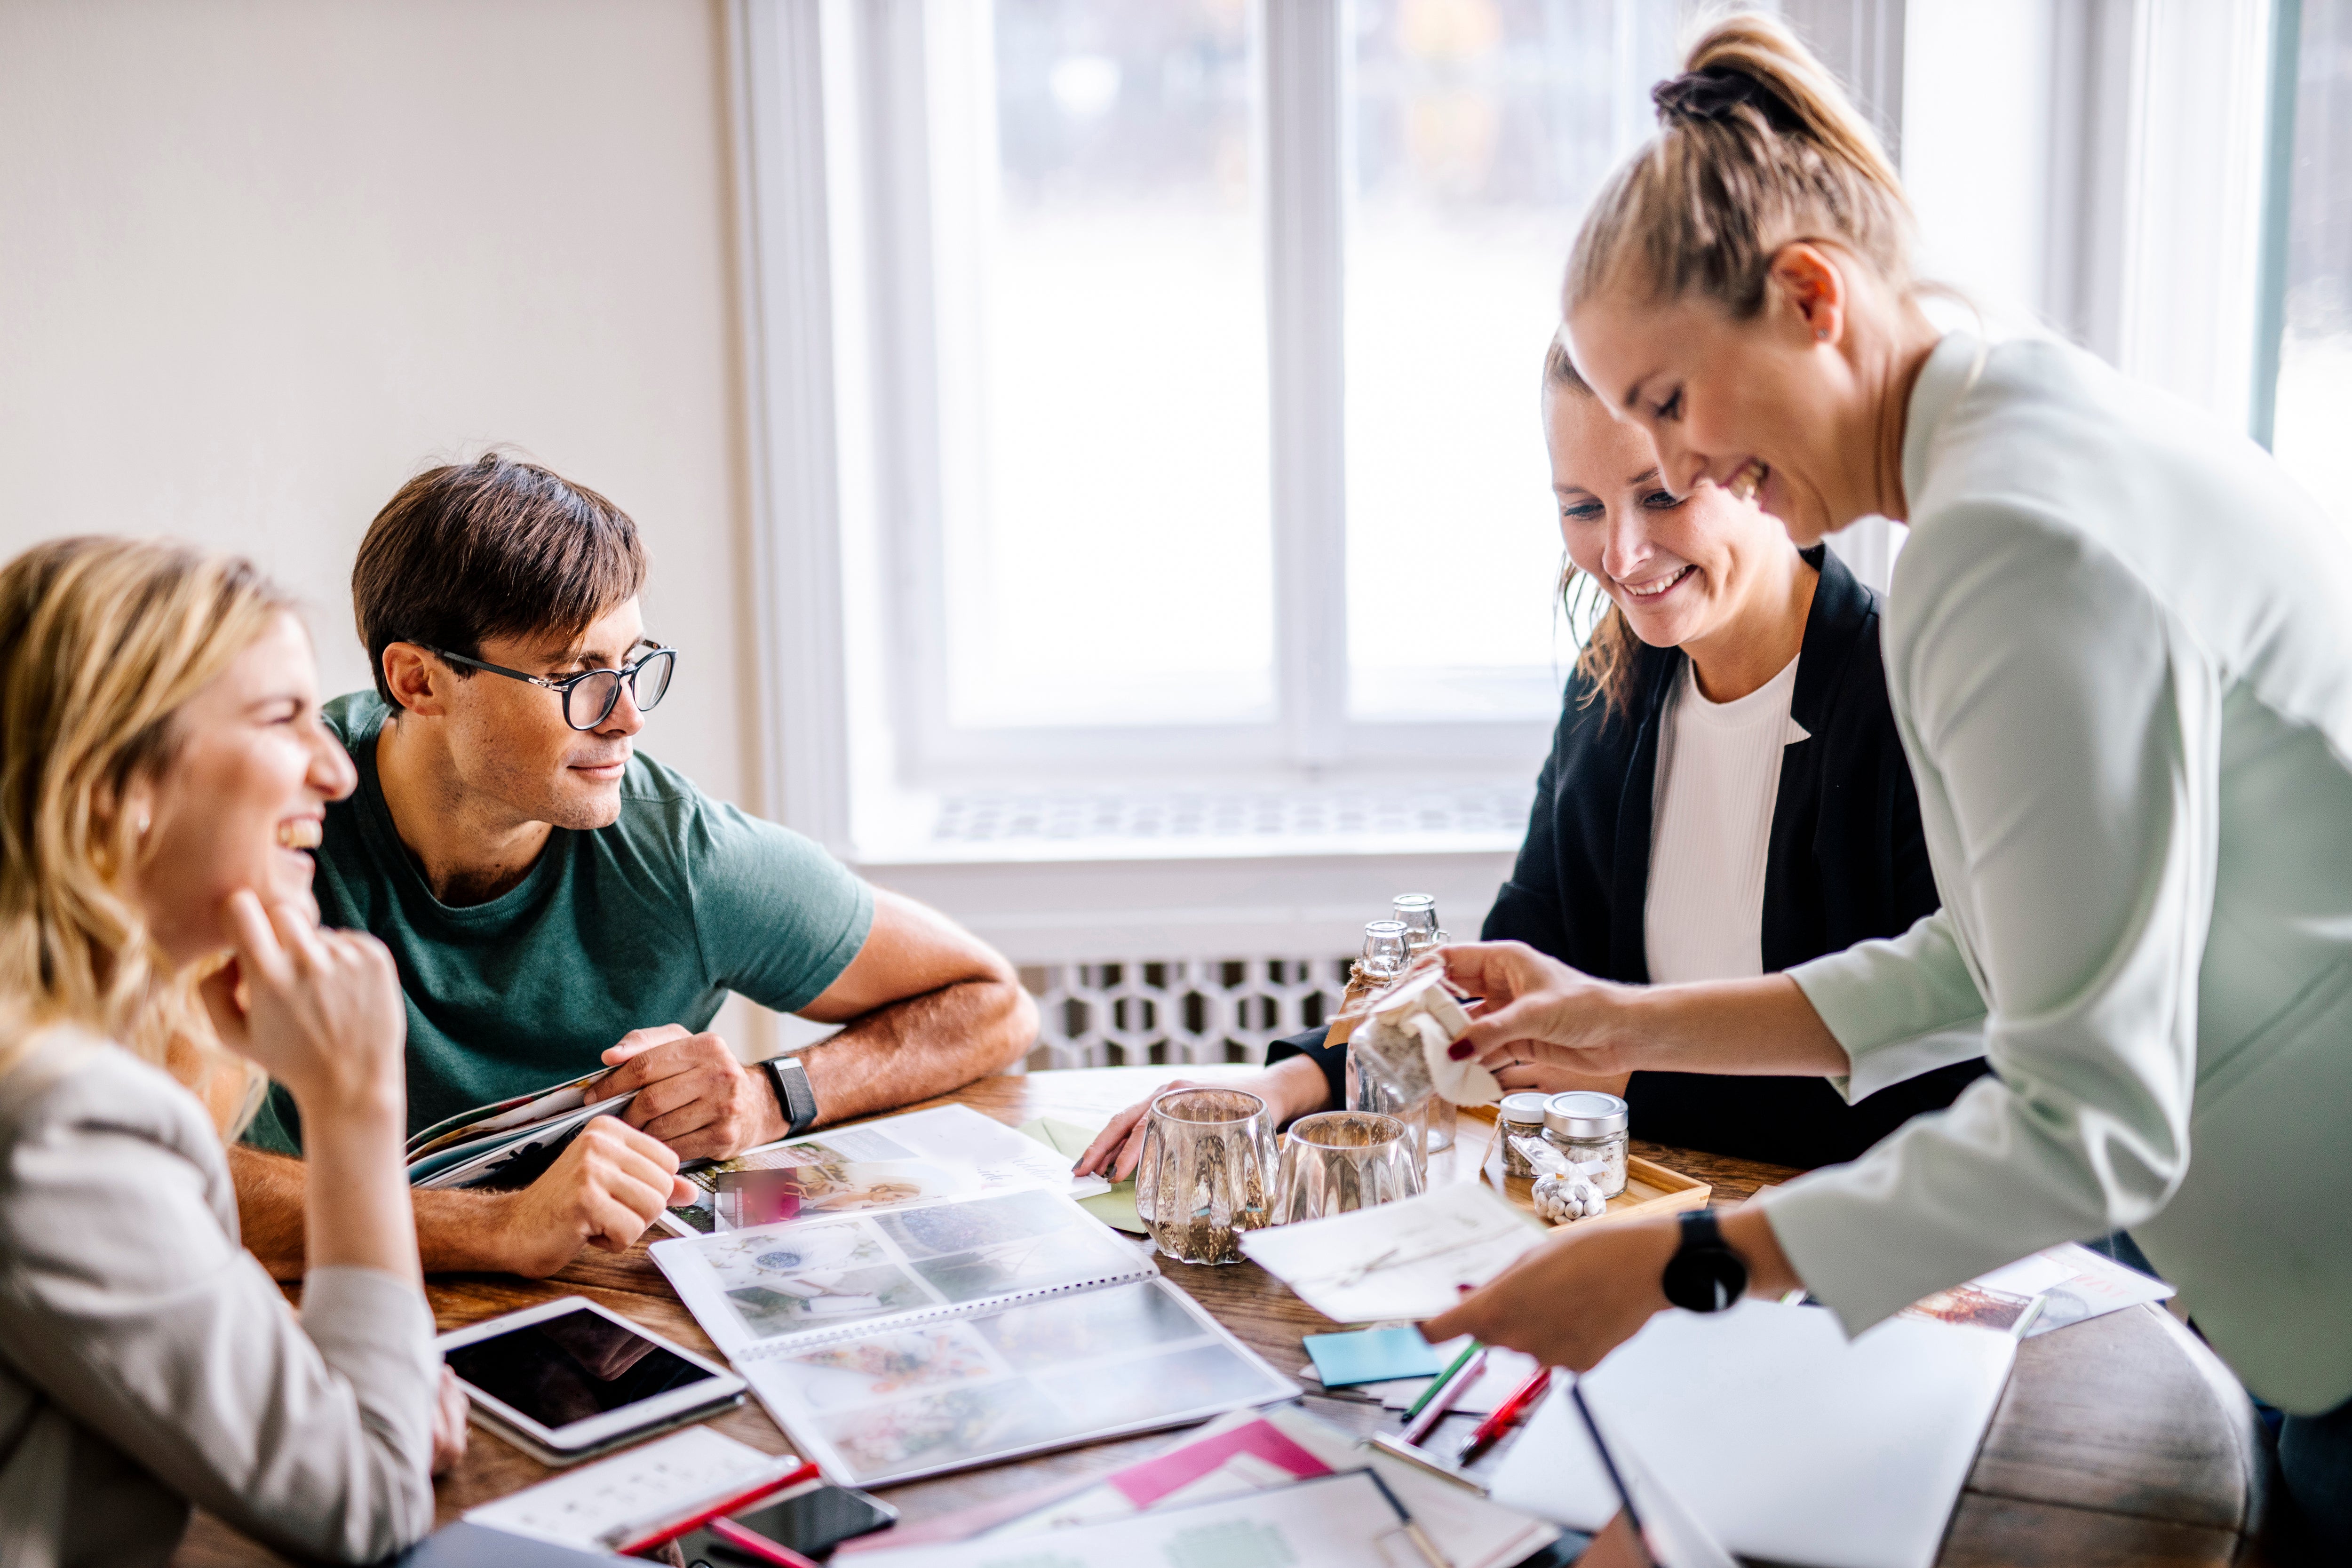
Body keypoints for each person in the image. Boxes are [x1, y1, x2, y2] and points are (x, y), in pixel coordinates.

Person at [1421, 13, 2352, 1555]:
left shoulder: (2006, 550)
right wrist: (1628, 1022)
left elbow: (2088, 1128)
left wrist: (1681, 1263)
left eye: (1667, 402)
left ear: (1809, 298)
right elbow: (1991, 951)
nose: (1678, 474)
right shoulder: (2018, 441)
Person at [1077, 329, 1982, 1182]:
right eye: (1583, 508)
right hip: (1652, 1222)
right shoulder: (1614, 690)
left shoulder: (1915, 700)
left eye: (1661, 493)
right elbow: (1514, 975)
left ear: (1763, 467)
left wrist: (1627, 1076)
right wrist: (1289, 1084)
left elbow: (1940, 1094)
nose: (1621, 554)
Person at [234, 454, 1037, 1279]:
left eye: (631, 666)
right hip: (309, 1320)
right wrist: (496, 1226)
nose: (626, 719)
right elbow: (168, 1177)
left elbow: (994, 1004)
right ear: (420, 680)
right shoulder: (267, 826)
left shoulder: (682, 857)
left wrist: (774, 1094)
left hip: (612, 1313)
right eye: (574, 675)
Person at [0, 537, 469, 1566]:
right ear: (112, 781)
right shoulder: (58, 1123)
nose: (337, 767)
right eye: (277, 717)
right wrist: (355, 1108)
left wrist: (348, 1371)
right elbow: (372, 1492)